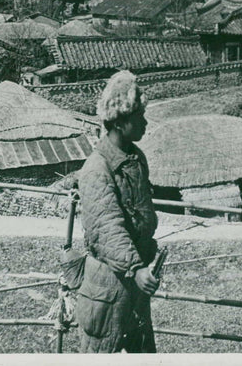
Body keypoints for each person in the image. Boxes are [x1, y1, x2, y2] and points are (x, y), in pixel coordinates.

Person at [75, 71, 159, 353]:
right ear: (121, 122)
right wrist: (135, 268)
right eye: (139, 117)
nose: (145, 122)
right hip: (107, 292)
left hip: (134, 288)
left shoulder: (136, 160)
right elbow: (107, 228)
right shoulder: (97, 169)